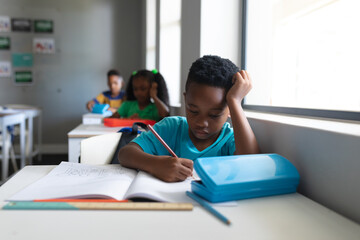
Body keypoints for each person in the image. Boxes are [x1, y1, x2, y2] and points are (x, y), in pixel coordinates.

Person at [118, 55, 260, 182]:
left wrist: (234, 101)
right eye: (193, 110)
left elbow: (253, 164)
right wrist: (156, 164)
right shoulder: (171, 128)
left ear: (230, 109)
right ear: (185, 100)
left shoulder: (229, 140)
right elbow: (125, 154)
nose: (201, 123)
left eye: (214, 115)